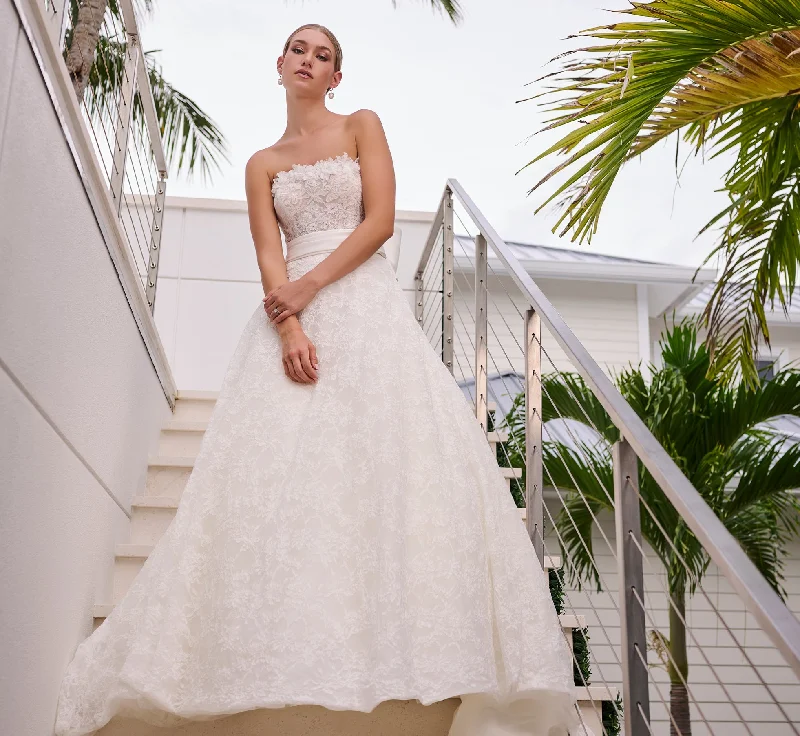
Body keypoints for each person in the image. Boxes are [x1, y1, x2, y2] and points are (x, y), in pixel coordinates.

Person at [53, 23, 582, 736]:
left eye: (323, 55)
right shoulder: (261, 162)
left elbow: (382, 222)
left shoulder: (363, 126)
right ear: (279, 65)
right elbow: (270, 257)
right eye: (298, 50)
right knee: (276, 479)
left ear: (337, 76)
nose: (308, 60)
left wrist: (311, 290)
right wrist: (291, 323)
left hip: (364, 308)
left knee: (384, 465)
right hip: (290, 326)